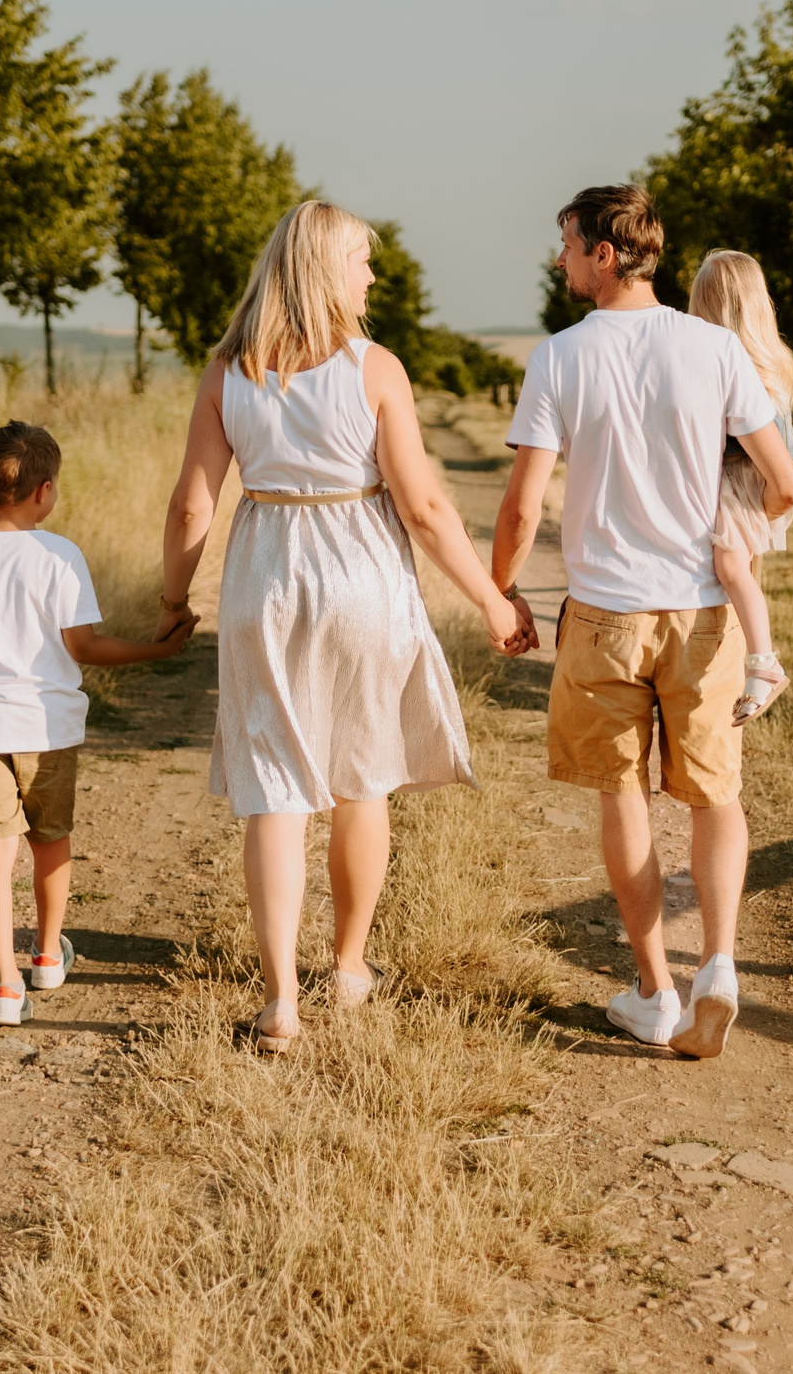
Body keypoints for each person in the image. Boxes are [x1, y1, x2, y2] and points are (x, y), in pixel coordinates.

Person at [158, 200, 528, 1056]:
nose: (371, 276)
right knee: (362, 778)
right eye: (363, 261)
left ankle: (280, 1001)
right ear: (328, 270)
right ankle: (350, 966)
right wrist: (491, 599)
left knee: (275, 790)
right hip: (361, 575)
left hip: (264, 581)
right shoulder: (374, 367)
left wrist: (175, 599)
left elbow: (190, 507)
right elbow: (424, 506)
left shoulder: (228, 371)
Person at [492, 186, 793, 1059]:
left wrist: (504, 590)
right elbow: (784, 482)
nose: (558, 257)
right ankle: (719, 965)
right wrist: (737, 541)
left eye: (566, 243)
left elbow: (522, 506)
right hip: (703, 613)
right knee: (716, 794)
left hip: (604, 616)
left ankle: (655, 992)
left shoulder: (558, 357)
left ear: (604, 253)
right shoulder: (715, 348)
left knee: (623, 795)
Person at [0, 421, 196, 1028]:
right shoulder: (60, 555)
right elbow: (85, 646)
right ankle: (48, 955)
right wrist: (158, 651)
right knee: (50, 841)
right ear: (45, 491)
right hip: (47, 731)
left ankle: (4, 986)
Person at [687, 250, 793, 724]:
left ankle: (763, 662)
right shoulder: (771, 360)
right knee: (738, 573)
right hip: (747, 478)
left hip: (741, 479)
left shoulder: (740, 370)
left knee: (732, 568)